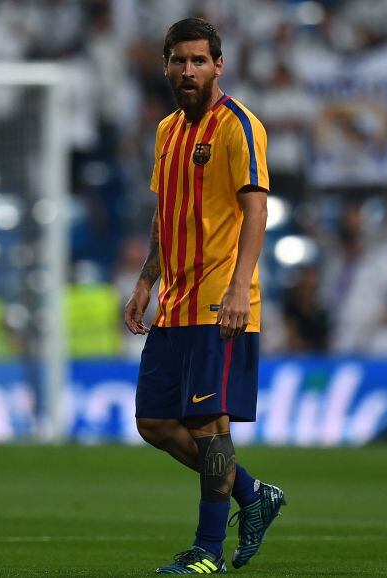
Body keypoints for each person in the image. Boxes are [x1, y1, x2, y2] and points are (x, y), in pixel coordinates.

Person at [124, 18, 285, 574]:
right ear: (165, 66)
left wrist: (241, 287)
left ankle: (207, 552)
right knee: (155, 423)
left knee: (209, 426)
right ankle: (253, 494)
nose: (188, 70)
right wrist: (147, 279)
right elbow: (164, 213)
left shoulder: (240, 126)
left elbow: (256, 209)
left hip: (221, 298)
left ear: (219, 65)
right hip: (175, 300)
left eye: (199, 61)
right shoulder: (167, 130)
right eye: (178, 60)